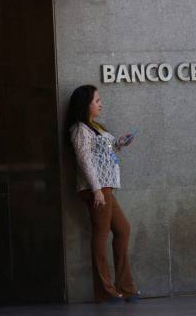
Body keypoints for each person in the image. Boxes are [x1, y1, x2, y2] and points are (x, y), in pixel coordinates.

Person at [67, 85, 139, 303]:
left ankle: (124, 287)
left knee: (123, 229)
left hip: (106, 187)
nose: (101, 104)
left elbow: (102, 151)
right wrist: (97, 189)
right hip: (96, 188)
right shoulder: (80, 129)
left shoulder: (95, 126)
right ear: (86, 104)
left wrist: (119, 143)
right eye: (97, 101)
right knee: (101, 234)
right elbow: (84, 160)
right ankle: (105, 291)